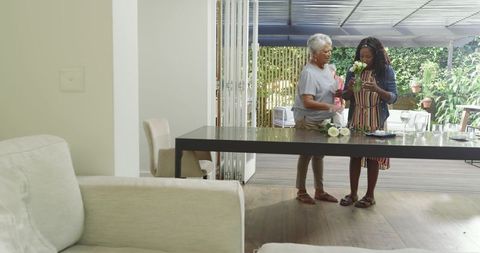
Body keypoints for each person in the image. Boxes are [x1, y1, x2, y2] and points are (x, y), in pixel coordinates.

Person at [340, 37, 398, 208]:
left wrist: (377, 89)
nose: (364, 60)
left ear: (377, 56)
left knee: (373, 157)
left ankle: (369, 195)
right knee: (355, 156)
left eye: (368, 57)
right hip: (357, 117)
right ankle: (353, 193)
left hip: (375, 119)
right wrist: (349, 89)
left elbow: (393, 97)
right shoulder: (353, 71)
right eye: (361, 56)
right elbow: (345, 96)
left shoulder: (386, 71)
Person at [292, 33, 343, 204]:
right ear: (314, 54)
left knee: (319, 155)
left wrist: (340, 93)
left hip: (322, 120)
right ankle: (301, 191)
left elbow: (328, 90)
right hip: (308, 119)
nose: (329, 54)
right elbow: (307, 102)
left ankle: (319, 191)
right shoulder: (309, 73)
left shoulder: (328, 69)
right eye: (325, 51)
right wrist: (330, 107)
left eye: (330, 50)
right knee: (306, 154)